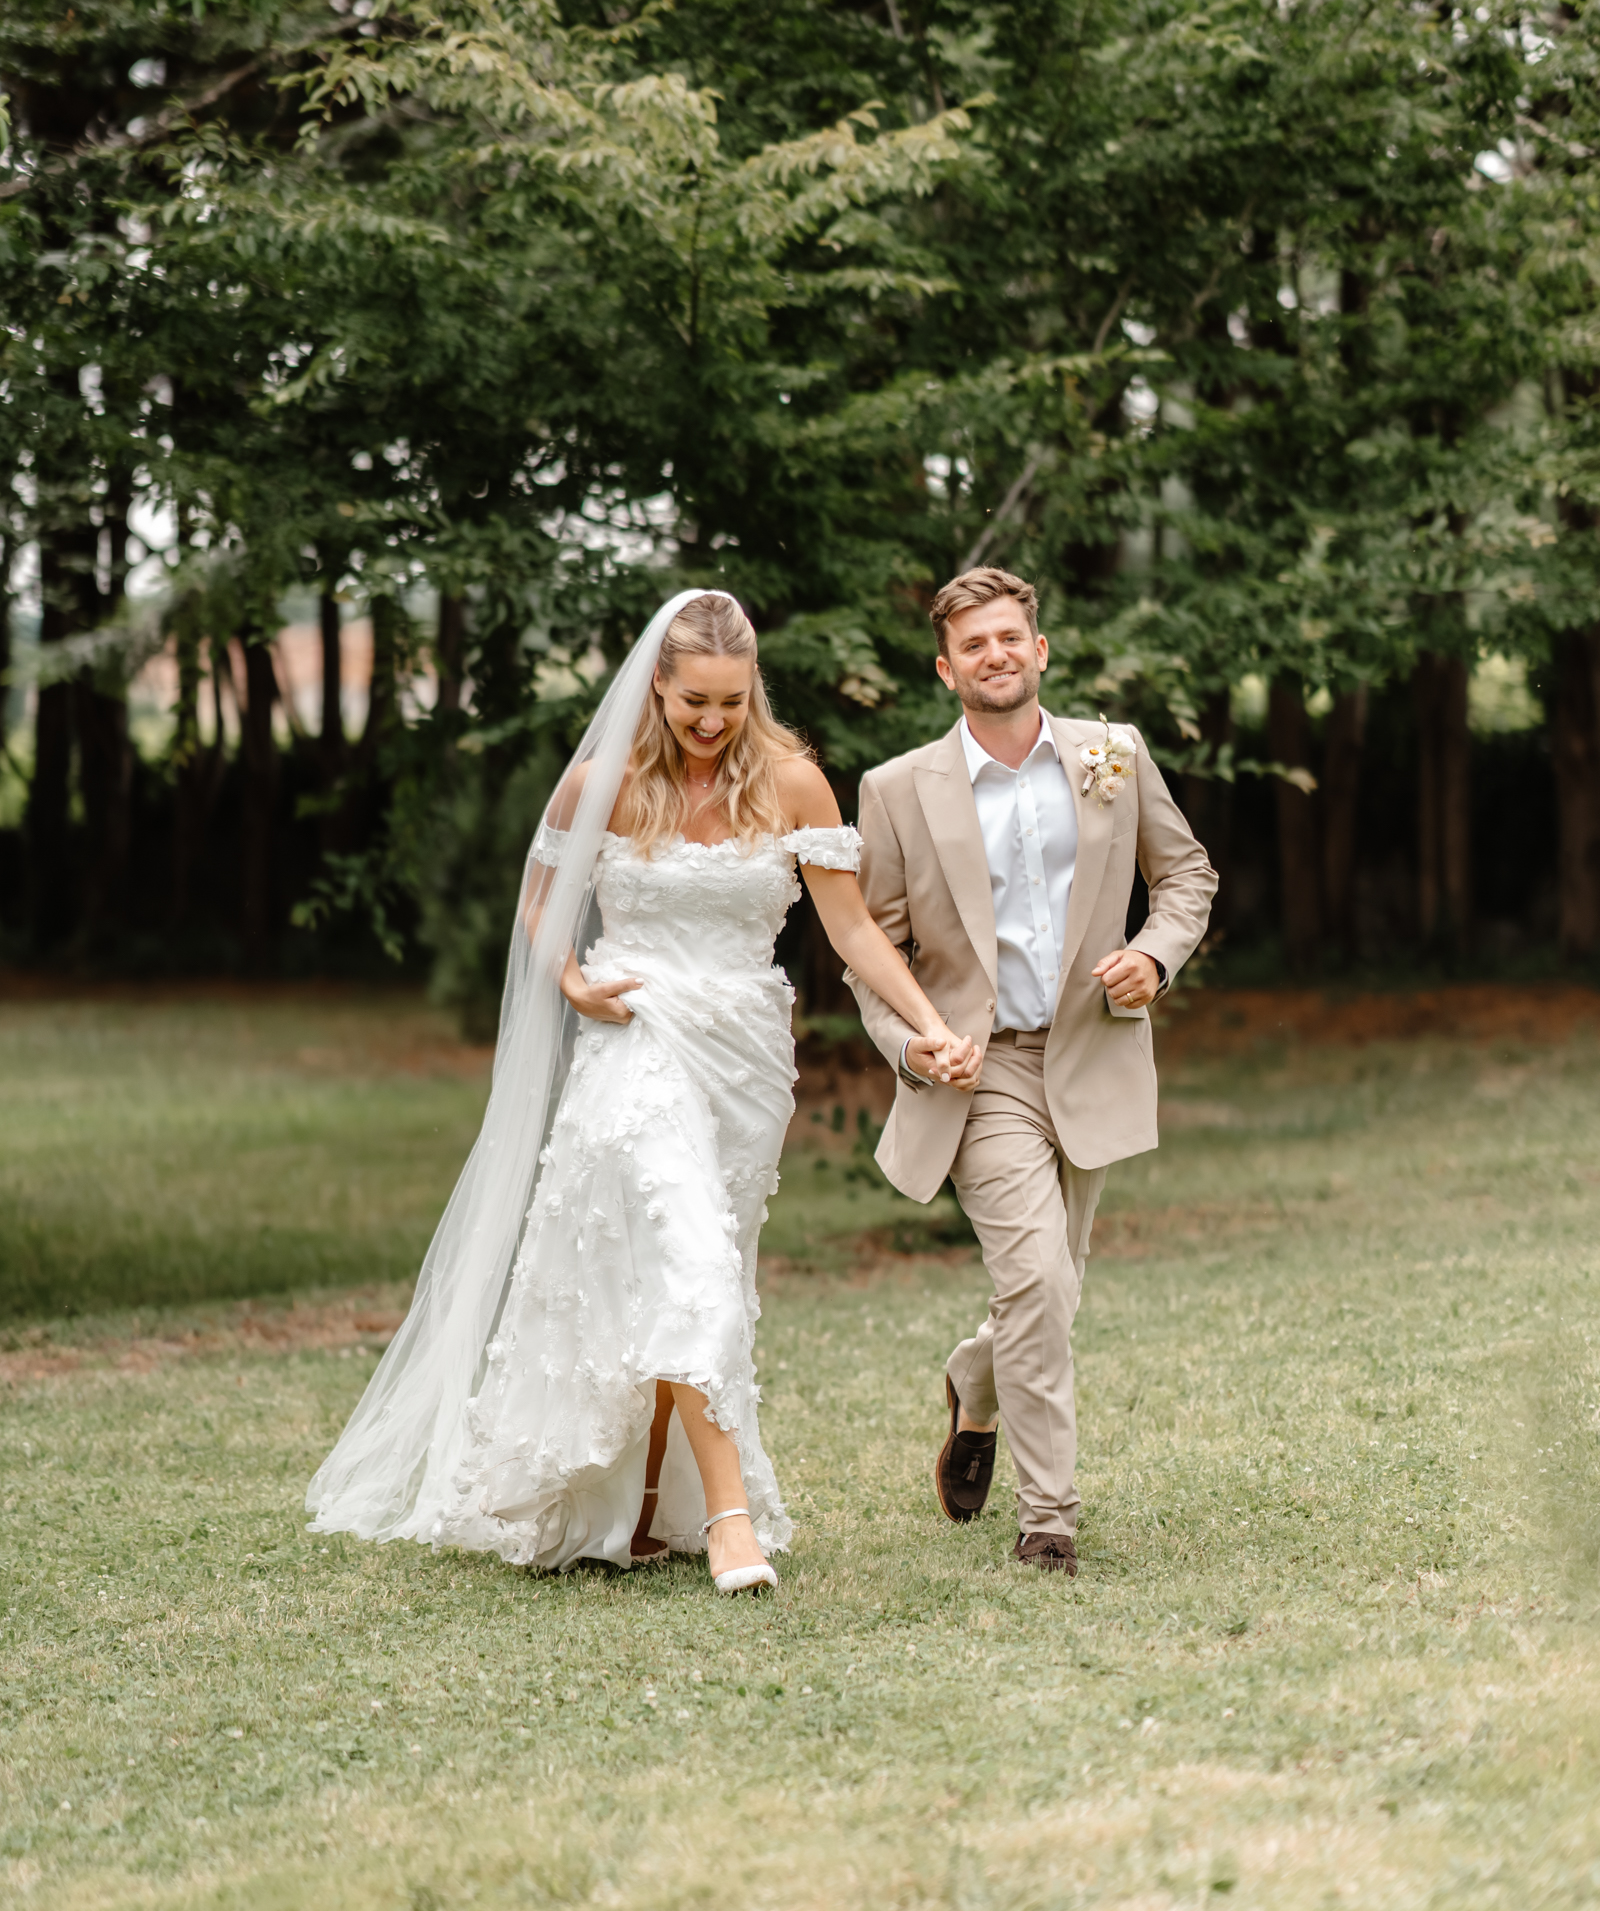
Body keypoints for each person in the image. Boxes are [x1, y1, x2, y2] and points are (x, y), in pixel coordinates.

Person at [307, 589, 969, 1595]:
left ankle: (650, 1506)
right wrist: (571, 979)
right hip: (635, 1039)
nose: (712, 722)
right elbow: (541, 904)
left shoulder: (794, 783)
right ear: (657, 684)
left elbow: (851, 929)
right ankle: (732, 1523)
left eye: (731, 703)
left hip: (743, 1057)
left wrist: (928, 1025)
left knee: (696, 1270)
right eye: (694, 700)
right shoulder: (600, 784)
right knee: (687, 1256)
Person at [846, 566, 1217, 1574]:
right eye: (973, 644)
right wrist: (910, 1045)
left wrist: (1154, 956)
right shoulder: (896, 791)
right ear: (946, 669)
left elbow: (1185, 874)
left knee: (1054, 1286)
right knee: (1038, 1277)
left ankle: (976, 1383)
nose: (995, 655)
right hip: (981, 1073)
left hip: (1091, 1052)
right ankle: (1048, 1519)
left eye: (1010, 637)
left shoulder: (1112, 754)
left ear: (1039, 649)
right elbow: (870, 954)